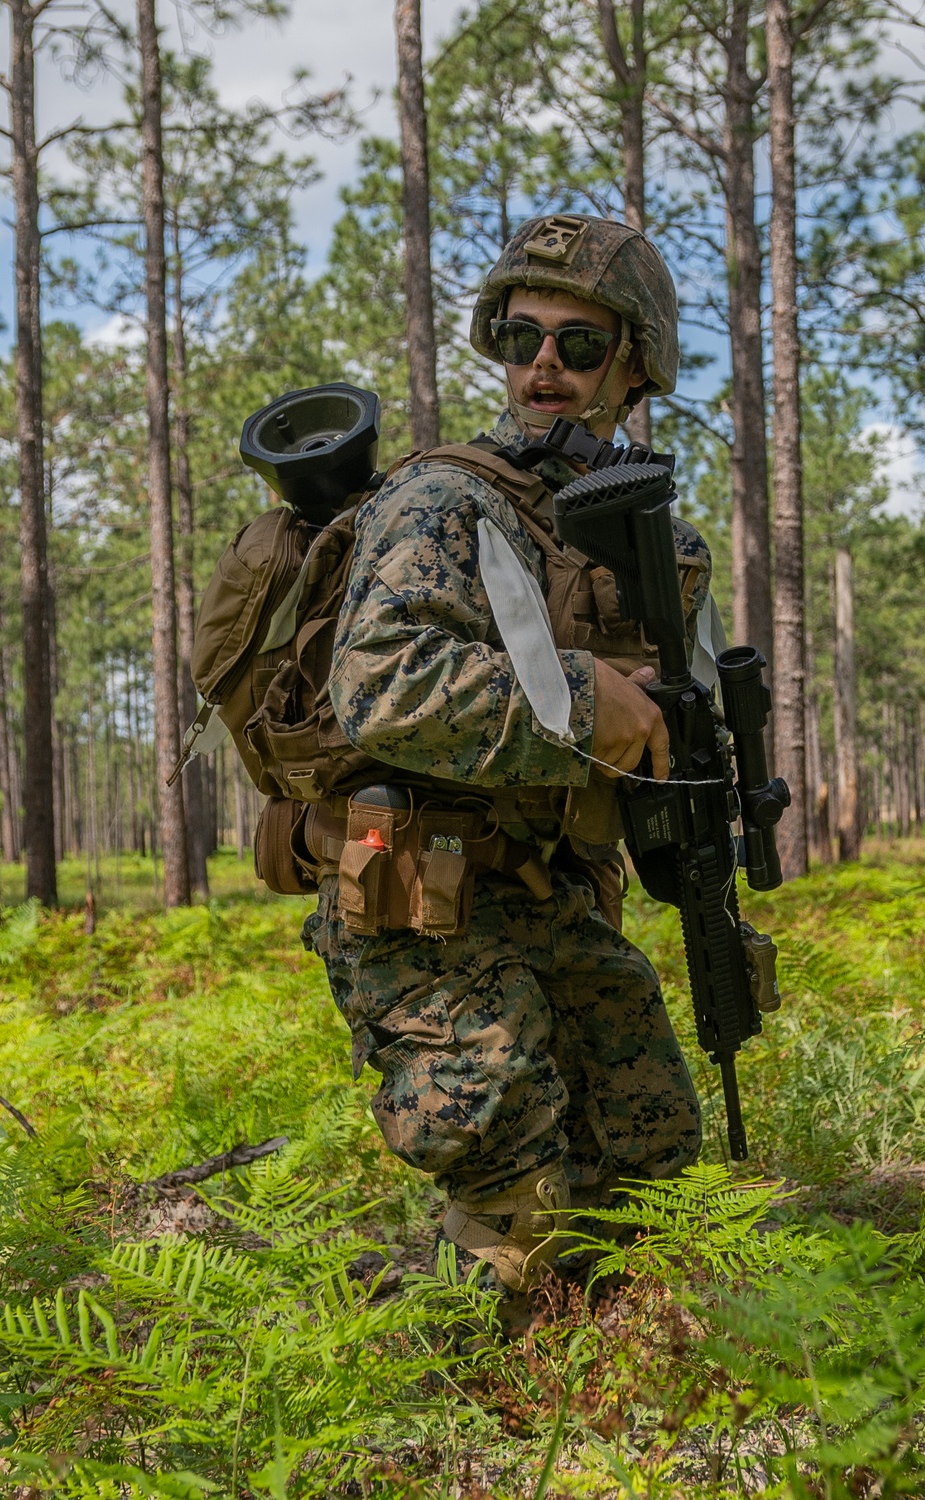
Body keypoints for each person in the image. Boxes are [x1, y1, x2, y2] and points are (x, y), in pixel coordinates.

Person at [301, 213, 707, 1314]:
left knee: (652, 1163)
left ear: (633, 367)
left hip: (545, 888)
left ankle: (626, 1384)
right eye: (522, 336)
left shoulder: (642, 540)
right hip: (416, 893)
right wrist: (585, 703)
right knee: (512, 1190)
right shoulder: (445, 500)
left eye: (578, 346)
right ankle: (433, 1403)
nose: (543, 367)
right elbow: (379, 681)